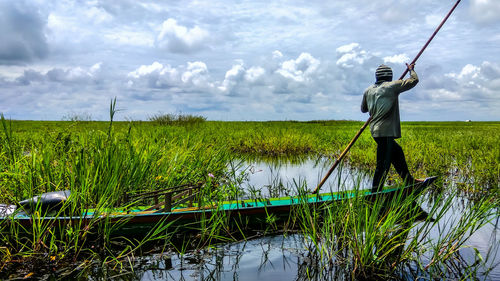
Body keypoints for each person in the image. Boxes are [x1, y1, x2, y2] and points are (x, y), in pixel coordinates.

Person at [361, 63, 421, 193]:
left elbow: (363, 109)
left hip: (375, 131)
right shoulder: (392, 86)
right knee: (383, 165)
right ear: (390, 76)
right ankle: (375, 193)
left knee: (397, 153)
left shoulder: (368, 90)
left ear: (377, 77)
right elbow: (414, 80)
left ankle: (409, 180)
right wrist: (411, 70)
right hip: (386, 131)